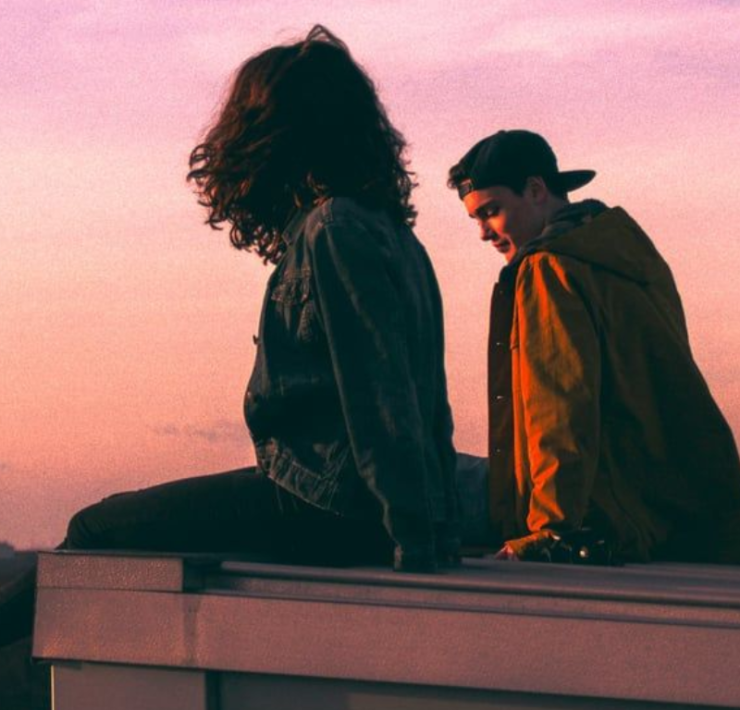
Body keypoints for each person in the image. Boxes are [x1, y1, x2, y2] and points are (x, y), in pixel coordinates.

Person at [0, 26, 460, 656]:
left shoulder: (333, 231)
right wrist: (437, 526)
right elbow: (430, 404)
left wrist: (413, 549)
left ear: (272, 135)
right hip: (358, 506)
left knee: (93, 529)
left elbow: (382, 404)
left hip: (330, 507)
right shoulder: (396, 236)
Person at [448, 129, 740, 564]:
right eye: (475, 219)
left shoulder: (550, 267)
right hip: (668, 505)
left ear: (535, 190)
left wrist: (551, 530)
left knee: (414, 475)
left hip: (601, 510)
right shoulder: (627, 255)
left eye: (491, 212)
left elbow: (560, 407)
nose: (483, 233)